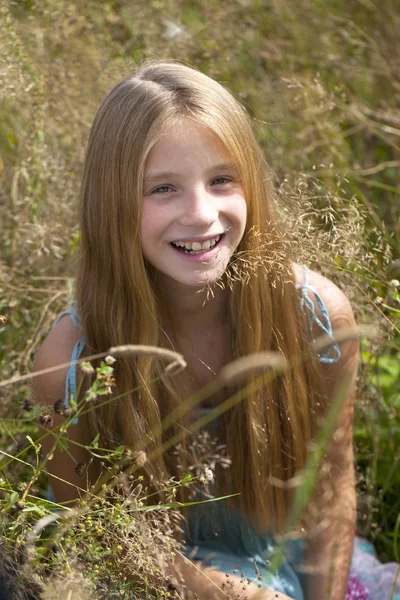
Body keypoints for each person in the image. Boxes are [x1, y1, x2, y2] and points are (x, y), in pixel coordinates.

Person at [32, 61, 368, 600]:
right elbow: (86, 529)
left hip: (284, 571)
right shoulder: (69, 362)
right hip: (150, 582)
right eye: (162, 188)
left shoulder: (317, 319)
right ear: (111, 203)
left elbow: (332, 494)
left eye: (222, 180)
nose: (201, 213)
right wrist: (218, 590)